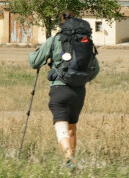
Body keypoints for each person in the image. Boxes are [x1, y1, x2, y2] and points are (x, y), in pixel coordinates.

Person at [29, 12, 99, 168]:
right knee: (72, 127)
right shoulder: (85, 42)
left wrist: (37, 53)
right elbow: (95, 70)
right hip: (79, 91)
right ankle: (72, 162)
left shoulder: (54, 40)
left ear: (60, 25)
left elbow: (34, 62)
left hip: (59, 89)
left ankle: (69, 159)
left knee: (61, 126)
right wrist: (80, 78)